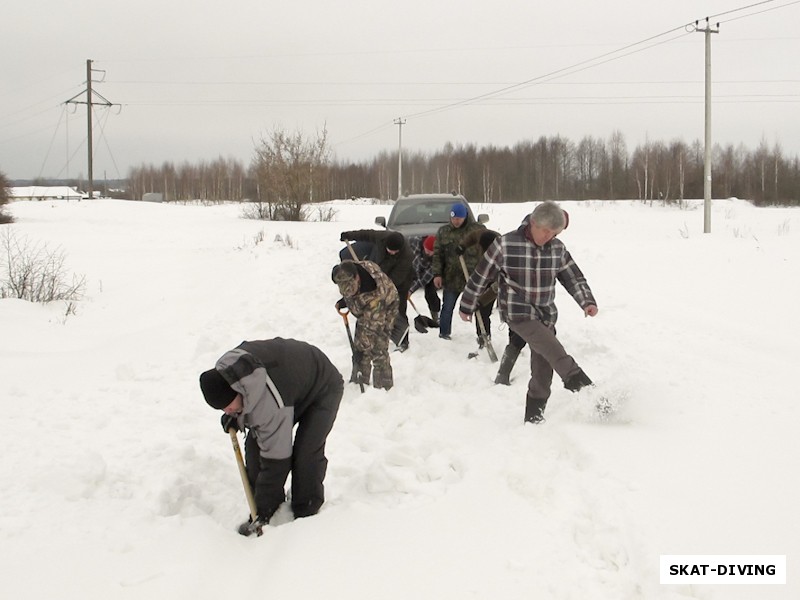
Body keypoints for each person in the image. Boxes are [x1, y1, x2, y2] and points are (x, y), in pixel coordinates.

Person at [458, 201, 598, 424]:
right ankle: (588, 390)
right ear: (533, 222)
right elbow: (480, 276)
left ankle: (533, 419)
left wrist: (586, 301)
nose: (548, 237)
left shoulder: (557, 248)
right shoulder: (505, 245)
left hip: (545, 314)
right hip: (518, 312)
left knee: (543, 369)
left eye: (554, 233)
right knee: (556, 352)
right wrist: (467, 305)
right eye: (545, 231)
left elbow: (573, 277)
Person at [199, 338, 344, 535]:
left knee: (305, 453)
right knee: (255, 447)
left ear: (237, 390)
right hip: (290, 384)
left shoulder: (269, 403)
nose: (227, 410)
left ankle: (306, 512)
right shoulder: (227, 373)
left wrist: (262, 511)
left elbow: (277, 461)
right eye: (223, 408)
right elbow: (246, 408)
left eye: (229, 405)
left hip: (322, 386)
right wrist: (236, 415)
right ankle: (272, 504)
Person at [339, 229, 413, 350]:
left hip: (400, 283)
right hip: (379, 272)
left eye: (395, 251)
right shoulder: (382, 237)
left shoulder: (407, 255)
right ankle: (375, 334)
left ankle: (403, 340)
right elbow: (366, 234)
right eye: (390, 250)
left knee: (399, 308)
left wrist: (380, 287)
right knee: (374, 307)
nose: (392, 253)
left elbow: (395, 279)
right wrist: (350, 235)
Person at [331, 259, 399, 390]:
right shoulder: (348, 269)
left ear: (357, 278)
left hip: (385, 308)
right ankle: (359, 382)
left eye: (350, 287)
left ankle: (384, 386)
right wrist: (346, 300)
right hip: (366, 307)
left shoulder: (375, 294)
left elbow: (370, 327)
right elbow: (353, 293)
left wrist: (361, 348)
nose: (347, 290)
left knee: (377, 346)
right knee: (361, 346)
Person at [431, 201, 486, 340]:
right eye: (453, 218)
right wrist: (437, 274)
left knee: (479, 307)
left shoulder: (477, 229)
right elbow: (437, 254)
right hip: (452, 276)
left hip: (473, 277)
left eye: (459, 218)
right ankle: (444, 334)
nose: (456, 221)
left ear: (465, 217)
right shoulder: (444, 232)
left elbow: (488, 248)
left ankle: (483, 335)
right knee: (447, 306)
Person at [456, 229, 500, 347]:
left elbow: (498, 287)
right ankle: (483, 337)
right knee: (480, 311)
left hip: (499, 282)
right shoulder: (480, 235)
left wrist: (483, 300)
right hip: (484, 276)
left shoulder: (502, 253)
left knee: (485, 308)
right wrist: (462, 246)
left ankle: (515, 344)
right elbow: (471, 236)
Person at [408, 235, 440, 325]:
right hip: (411, 268)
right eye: (427, 250)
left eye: (431, 252)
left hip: (427, 273)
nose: (429, 253)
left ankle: (436, 317)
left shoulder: (437, 259)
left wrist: (410, 290)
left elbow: (423, 279)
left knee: (430, 294)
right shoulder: (413, 242)